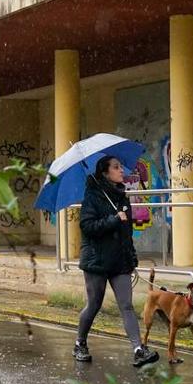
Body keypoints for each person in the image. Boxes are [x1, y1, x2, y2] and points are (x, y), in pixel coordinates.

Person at [72, 156, 160, 367]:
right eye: (116, 167)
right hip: (97, 260)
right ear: (105, 172)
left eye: (121, 166)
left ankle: (138, 350)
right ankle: (80, 343)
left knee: (127, 306)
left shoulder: (121, 196)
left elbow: (126, 232)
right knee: (94, 304)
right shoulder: (92, 197)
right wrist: (113, 219)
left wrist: (131, 256)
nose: (121, 170)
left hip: (119, 260)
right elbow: (87, 226)